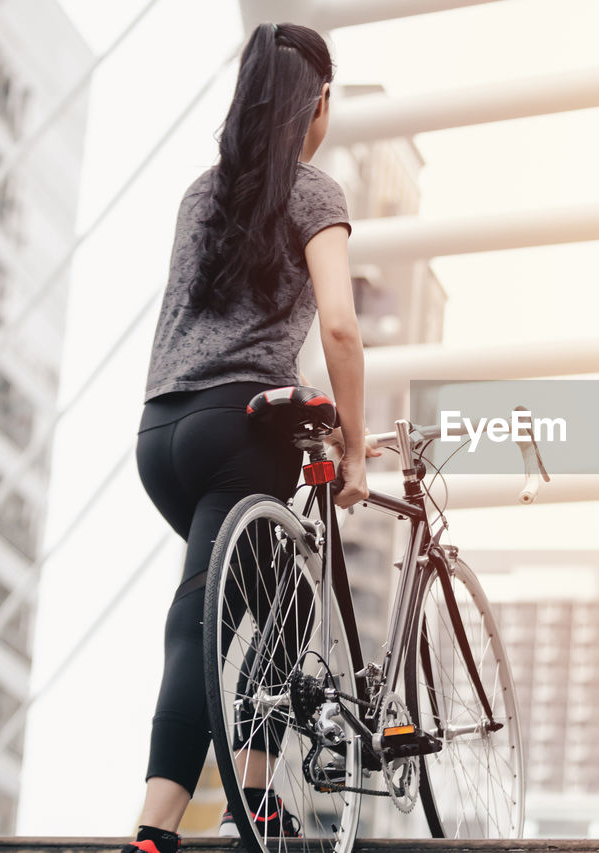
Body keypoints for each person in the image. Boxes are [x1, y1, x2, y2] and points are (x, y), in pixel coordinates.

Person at [124, 21, 378, 853]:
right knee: (201, 619)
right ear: (319, 104)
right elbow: (340, 328)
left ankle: (258, 796)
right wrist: (358, 447)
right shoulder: (313, 192)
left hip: (162, 434)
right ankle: (156, 829)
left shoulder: (202, 191)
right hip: (238, 430)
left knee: (279, 594)